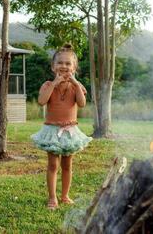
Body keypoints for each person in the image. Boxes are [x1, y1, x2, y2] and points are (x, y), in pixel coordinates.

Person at [31, 44, 92, 210]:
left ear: (74, 68)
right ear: (53, 67)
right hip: (53, 131)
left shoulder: (76, 87)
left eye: (68, 64)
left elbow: (81, 103)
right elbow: (42, 101)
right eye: (60, 63)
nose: (64, 66)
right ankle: (52, 197)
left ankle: (65, 195)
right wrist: (55, 83)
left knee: (67, 165)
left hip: (70, 131)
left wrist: (76, 83)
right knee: (52, 165)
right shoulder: (47, 85)